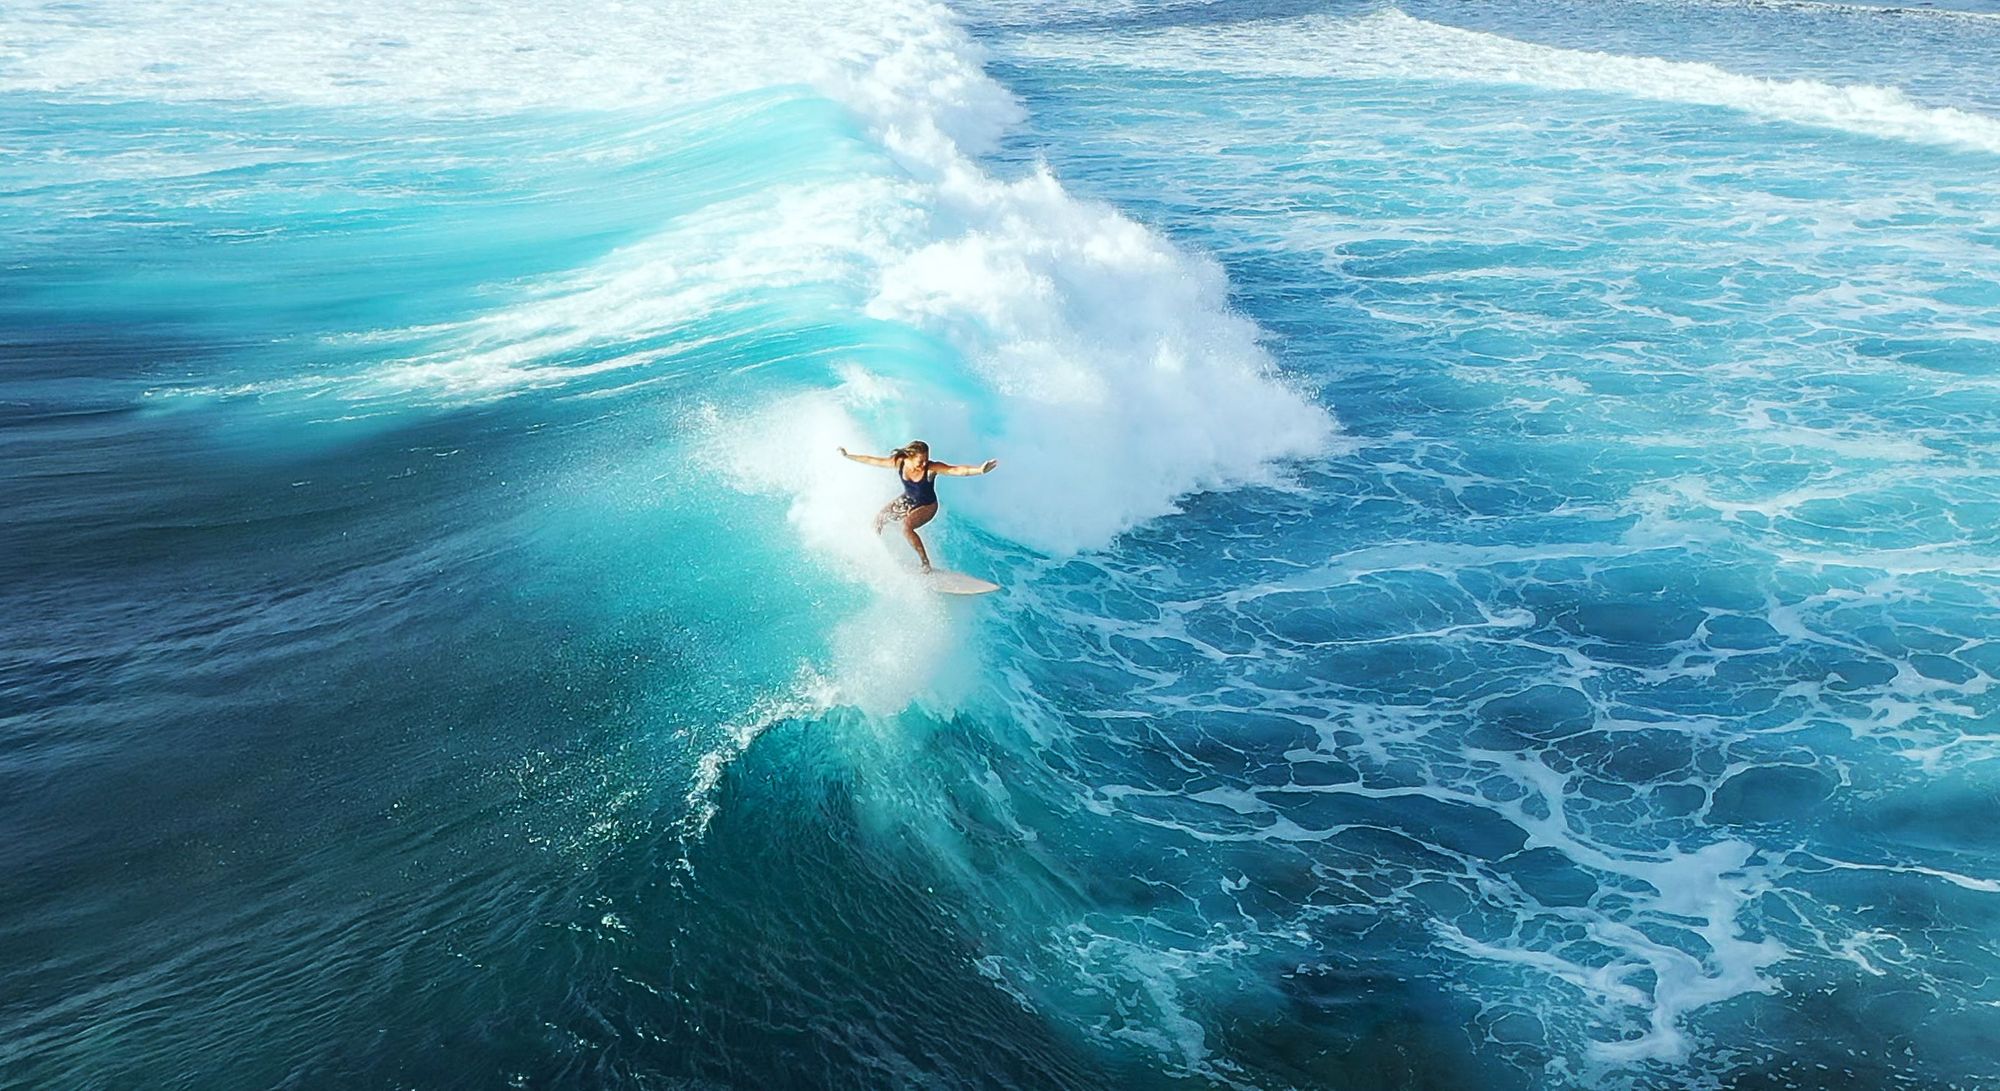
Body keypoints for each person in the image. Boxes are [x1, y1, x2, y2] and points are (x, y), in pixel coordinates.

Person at [838, 440, 997, 573]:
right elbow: (872, 460)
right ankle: (875, 554)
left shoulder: (930, 468)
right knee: (879, 520)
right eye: (921, 460)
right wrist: (848, 456)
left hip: (928, 505)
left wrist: (980, 470)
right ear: (909, 456)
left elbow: (955, 470)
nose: (924, 463)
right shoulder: (900, 462)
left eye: (926, 459)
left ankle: (925, 564)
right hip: (909, 499)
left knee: (906, 526)